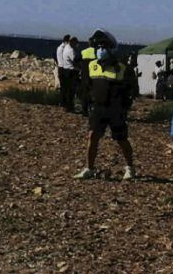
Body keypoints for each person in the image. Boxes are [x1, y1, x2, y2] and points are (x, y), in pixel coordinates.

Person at [75, 31, 136, 180]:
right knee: (92, 137)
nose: (101, 50)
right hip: (98, 109)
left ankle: (130, 168)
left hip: (116, 110)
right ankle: (89, 168)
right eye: (99, 46)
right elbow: (88, 87)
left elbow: (130, 90)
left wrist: (124, 107)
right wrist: (88, 103)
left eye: (104, 46)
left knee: (121, 139)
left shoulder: (122, 68)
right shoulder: (92, 66)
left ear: (112, 49)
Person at [55, 34, 77, 111]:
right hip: (63, 68)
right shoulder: (63, 49)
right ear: (66, 41)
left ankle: (63, 102)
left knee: (64, 87)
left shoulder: (59, 48)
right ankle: (64, 103)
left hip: (61, 67)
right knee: (66, 87)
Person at [77, 39, 97, 116]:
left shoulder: (83, 52)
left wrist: (80, 67)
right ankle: (93, 109)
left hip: (84, 74)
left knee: (85, 93)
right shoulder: (97, 52)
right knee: (94, 92)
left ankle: (84, 110)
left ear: (88, 44)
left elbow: (75, 60)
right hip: (94, 74)